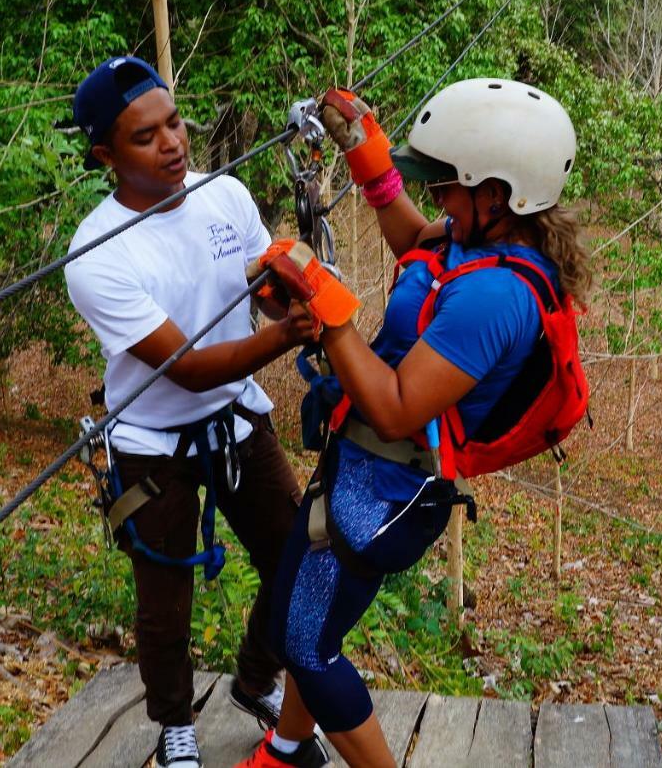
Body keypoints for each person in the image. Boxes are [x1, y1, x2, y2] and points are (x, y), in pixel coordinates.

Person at [236, 78, 593, 768]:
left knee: (305, 641)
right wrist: (365, 153)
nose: (434, 199)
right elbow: (410, 236)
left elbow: (397, 404)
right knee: (302, 611)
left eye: (446, 185)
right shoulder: (471, 240)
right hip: (360, 465)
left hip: (389, 492)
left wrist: (328, 309)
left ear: (499, 194)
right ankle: (287, 749)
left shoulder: (496, 295)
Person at [63, 55, 330, 768]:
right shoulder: (95, 254)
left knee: (298, 562)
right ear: (105, 155)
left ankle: (253, 679)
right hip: (153, 443)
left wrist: (290, 288)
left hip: (239, 420)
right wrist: (284, 335)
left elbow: (253, 290)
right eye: (146, 137)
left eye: (174, 122)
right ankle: (175, 721)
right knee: (164, 596)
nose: (173, 142)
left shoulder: (225, 195)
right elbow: (182, 363)